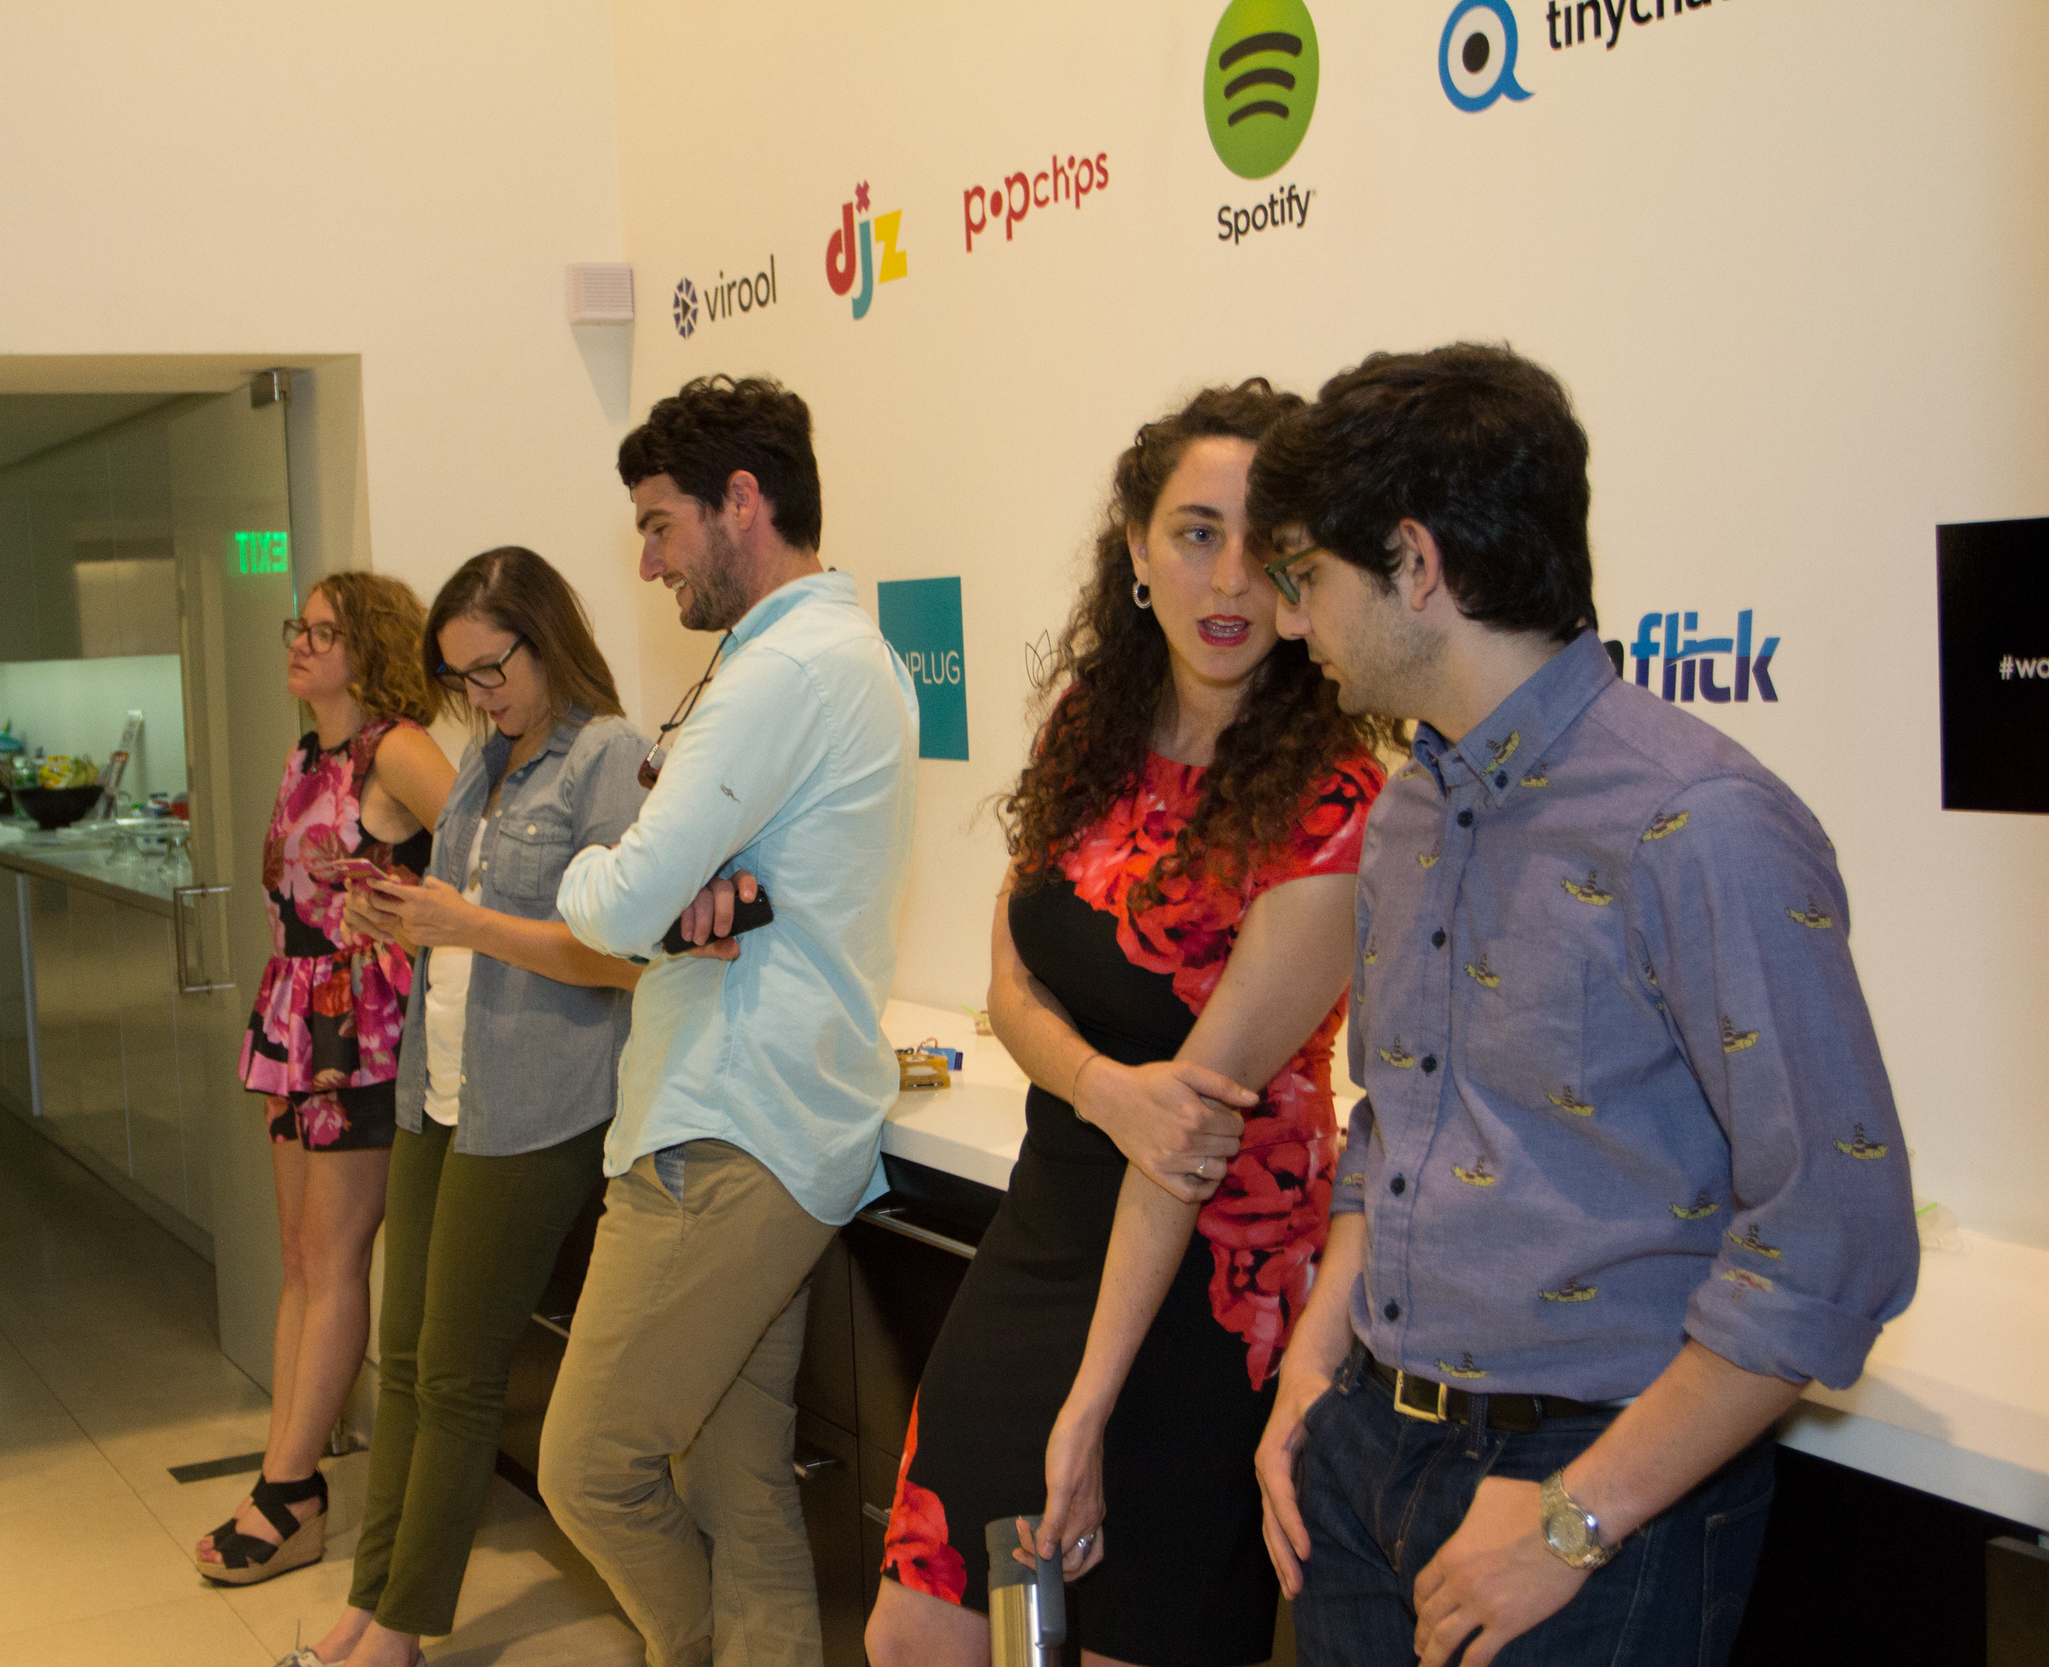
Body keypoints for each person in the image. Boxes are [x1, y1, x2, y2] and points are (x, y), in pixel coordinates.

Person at [1243, 344, 1919, 1667]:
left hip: (1590, 1490)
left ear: (1416, 564)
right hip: (1364, 1448)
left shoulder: (1700, 824)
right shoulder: (1410, 810)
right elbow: (1393, 1125)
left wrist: (1571, 1519)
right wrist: (1311, 1382)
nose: (1287, 620)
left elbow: (1836, 1232)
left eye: (1305, 578)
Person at [864, 384, 1395, 1667]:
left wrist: (1088, 1409)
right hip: (1050, 1216)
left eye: (1265, 544)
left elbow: (1193, 1123)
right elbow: (1012, 974)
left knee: (1107, 1638)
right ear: (1136, 549)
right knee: (918, 1631)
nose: (1228, 577)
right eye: (1193, 530)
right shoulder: (1089, 730)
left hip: (1210, 1272)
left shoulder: (1335, 802)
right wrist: (1103, 1087)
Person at [538, 374, 919, 1667]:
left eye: (659, 525)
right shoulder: (826, 655)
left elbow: (614, 896)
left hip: (728, 1127)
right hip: (766, 1113)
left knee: (590, 1466)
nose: (647, 563)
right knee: (739, 1484)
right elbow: (673, 888)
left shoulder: (785, 671)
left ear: (740, 501)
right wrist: (659, 886)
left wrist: (612, 878)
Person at [275, 546, 651, 1665]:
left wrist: (466, 926)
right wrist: (402, 914)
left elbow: (624, 952)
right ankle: (368, 1597)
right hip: (442, 1087)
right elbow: (468, 912)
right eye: (463, 680)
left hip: (537, 1102)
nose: (479, 698)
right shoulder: (490, 757)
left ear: (546, 637)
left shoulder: (608, 758)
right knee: (404, 1350)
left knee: (454, 1370)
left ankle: (398, 1628)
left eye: (493, 670)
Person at [199, 571, 454, 1586]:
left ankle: (290, 1485)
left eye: (322, 631)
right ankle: (288, 1478)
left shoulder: (394, 746)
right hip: (299, 1017)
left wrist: (413, 907)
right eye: (296, 628)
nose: (299, 645)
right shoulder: (308, 750)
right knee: (302, 1255)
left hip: (364, 1026)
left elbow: (486, 851)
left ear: (370, 646)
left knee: (336, 1255)